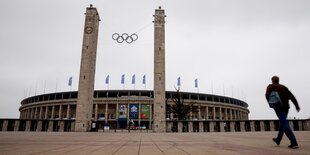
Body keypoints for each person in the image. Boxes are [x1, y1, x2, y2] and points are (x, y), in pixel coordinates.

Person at [265, 76, 301, 149]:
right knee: (282, 122)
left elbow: (267, 95)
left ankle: (294, 142)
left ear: (272, 80)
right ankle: (278, 140)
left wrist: (270, 103)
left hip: (278, 107)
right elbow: (292, 96)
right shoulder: (284, 87)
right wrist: (296, 106)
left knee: (284, 124)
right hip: (286, 107)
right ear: (278, 80)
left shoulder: (271, 86)